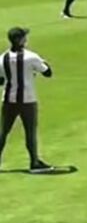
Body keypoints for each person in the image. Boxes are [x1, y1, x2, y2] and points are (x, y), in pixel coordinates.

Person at [0, 27, 53, 171]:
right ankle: (34, 163)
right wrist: (43, 63)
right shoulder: (31, 57)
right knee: (30, 131)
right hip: (27, 100)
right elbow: (48, 72)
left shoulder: (3, 57)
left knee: (3, 131)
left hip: (8, 99)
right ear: (20, 40)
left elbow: (0, 80)